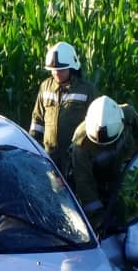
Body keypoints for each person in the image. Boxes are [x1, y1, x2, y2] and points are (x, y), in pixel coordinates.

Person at [68, 95, 138, 233]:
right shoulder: (80, 146)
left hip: (127, 178)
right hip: (100, 186)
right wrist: (100, 222)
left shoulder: (128, 115)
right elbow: (85, 186)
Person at [28, 41, 92, 175]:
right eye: (53, 70)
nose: (57, 73)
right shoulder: (45, 87)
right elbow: (37, 119)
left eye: (61, 69)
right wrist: (33, 146)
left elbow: (94, 122)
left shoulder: (86, 90)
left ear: (72, 67)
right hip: (50, 156)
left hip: (75, 157)